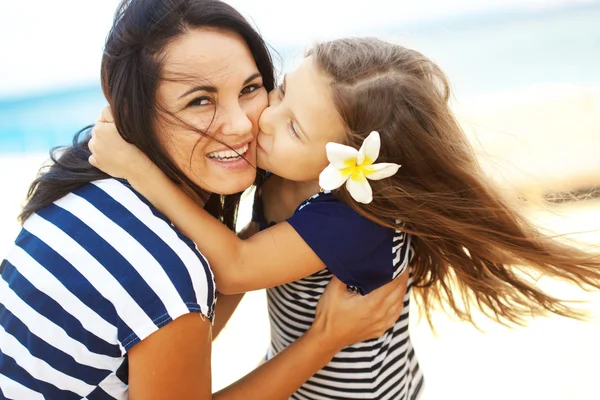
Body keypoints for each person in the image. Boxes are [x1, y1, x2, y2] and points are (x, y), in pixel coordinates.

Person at [89, 36, 600, 400]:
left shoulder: (354, 218)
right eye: (282, 92)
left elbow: (236, 267)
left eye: (293, 128)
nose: (263, 120)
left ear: (348, 159)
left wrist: (139, 171)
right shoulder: (284, 173)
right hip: (298, 365)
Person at [0, 1, 408, 399]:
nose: (248, 123)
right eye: (200, 100)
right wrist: (325, 338)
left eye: (251, 88)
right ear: (133, 109)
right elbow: (194, 296)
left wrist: (138, 169)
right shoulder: (165, 264)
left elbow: (181, 330)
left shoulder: (87, 192)